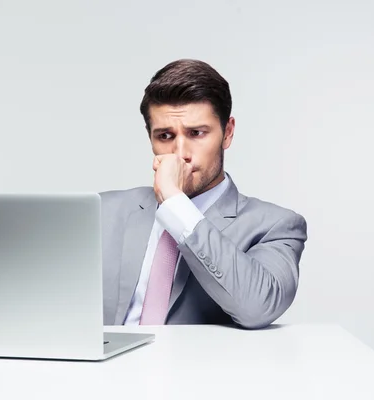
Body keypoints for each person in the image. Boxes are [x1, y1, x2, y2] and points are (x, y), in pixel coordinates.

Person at [100, 59, 307, 329]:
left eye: (196, 133)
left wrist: (175, 204)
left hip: (197, 370)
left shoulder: (276, 225)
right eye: (165, 136)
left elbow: (258, 308)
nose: (180, 153)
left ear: (227, 133)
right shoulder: (103, 210)